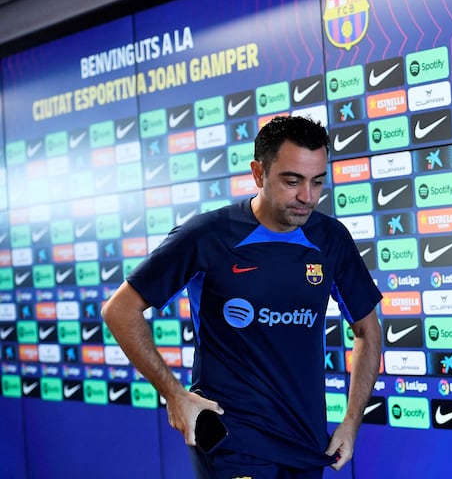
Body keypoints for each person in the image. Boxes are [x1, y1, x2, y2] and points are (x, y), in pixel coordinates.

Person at [101, 115, 382, 479]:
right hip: (233, 444)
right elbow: (120, 310)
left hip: (308, 444)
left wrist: (351, 422)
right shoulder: (208, 234)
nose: (307, 197)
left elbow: (368, 331)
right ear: (258, 172)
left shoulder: (331, 239)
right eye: (292, 181)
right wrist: (174, 394)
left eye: (317, 182)